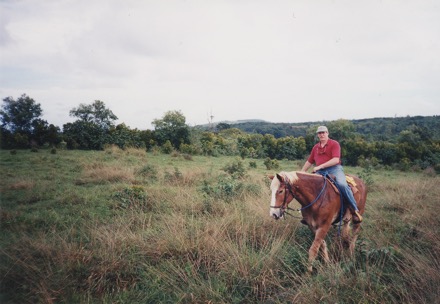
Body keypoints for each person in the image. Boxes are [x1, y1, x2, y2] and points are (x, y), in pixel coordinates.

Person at [301, 125, 363, 223]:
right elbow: (309, 161)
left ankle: (354, 209)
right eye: (319, 133)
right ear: (318, 135)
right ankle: (308, 214)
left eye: (323, 132)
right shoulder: (316, 147)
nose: (321, 135)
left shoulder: (334, 144)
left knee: (342, 185)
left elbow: (335, 159)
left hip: (334, 169)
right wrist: (302, 172)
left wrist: (320, 166)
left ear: (327, 133)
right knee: (309, 187)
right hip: (320, 171)